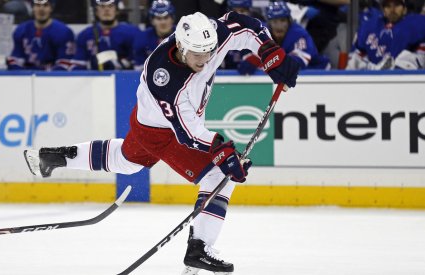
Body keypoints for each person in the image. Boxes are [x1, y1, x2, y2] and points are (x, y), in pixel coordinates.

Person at [24, 11, 299, 274]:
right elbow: (188, 133)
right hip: (163, 132)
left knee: (126, 161)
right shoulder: (165, 77)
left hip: (146, 123)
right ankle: (199, 249)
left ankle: (51, 158)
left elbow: (246, 27)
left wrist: (269, 53)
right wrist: (222, 151)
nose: (205, 59)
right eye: (197, 54)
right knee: (218, 175)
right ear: (180, 45)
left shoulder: (208, 39)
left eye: (209, 52)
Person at [233, 1, 330, 74]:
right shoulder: (263, 34)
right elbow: (245, 65)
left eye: (282, 20)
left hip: (317, 72)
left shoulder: (299, 34)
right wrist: (255, 58)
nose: (279, 26)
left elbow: (296, 64)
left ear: (289, 21)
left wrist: (264, 59)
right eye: (275, 21)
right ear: (269, 24)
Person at [347, 0, 425, 70]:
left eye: (397, 5)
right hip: (373, 74)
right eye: (388, 6)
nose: (392, 9)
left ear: (404, 9)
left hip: (405, 77)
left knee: (408, 57)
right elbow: (356, 56)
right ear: (383, 10)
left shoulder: (416, 23)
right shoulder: (371, 26)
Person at [70, 0, 139, 71]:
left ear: (117, 10)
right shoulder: (85, 35)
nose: (106, 10)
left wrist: (123, 64)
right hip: (95, 80)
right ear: (96, 11)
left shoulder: (132, 33)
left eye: (110, 6)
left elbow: (139, 64)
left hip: (126, 79)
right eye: (102, 6)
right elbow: (78, 66)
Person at [6, 0, 75, 71]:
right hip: (27, 76)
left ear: (51, 8)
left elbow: (65, 64)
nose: (41, 9)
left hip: (53, 78)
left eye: (45, 5)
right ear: (33, 8)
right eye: (38, 5)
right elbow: (15, 59)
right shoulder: (21, 30)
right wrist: (24, 76)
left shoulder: (63, 32)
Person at [133, 0, 175, 70]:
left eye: (166, 17)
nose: (163, 22)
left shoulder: (182, 36)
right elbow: (138, 68)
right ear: (152, 21)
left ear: (172, 19)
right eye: (159, 18)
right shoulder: (142, 38)